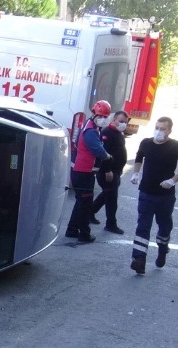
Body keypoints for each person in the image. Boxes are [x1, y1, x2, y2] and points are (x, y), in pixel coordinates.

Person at [128, 116, 178, 275]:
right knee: (143, 226)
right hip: (146, 193)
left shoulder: (176, 147)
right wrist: (136, 174)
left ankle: (163, 249)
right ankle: (139, 260)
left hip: (165, 196)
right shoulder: (146, 143)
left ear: (169, 131)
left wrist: (173, 180)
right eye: (157, 127)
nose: (158, 131)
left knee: (164, 227)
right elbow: (139, 157)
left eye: (162, 129)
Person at [65, 100, 113, 244]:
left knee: (81, 202)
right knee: (85, 205)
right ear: (94, 113)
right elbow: (98, 150)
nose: (103, 119)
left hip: (81, 171)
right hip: (83, 172)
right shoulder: (91, 131)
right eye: (101, 116)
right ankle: (84, 234)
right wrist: (108, 157)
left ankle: (72, 230)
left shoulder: (90, 125)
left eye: (105, 116)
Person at [90, 110, 129, 234]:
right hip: (108, 172)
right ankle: (111, 224)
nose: (123, 124)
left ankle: (90, 212)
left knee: (107, 195)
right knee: (111, 199)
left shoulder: (119, 133)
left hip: (115, 171)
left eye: (125, 122)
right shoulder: (107, 133)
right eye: (121, 121)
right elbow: (104, 153)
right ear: (114, 120)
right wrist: (108, 170)